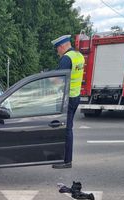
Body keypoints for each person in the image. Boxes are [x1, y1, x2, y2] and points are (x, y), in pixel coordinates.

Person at [51, 35, 84, 169]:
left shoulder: (66, 58)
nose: (57, 52)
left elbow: (58, 80)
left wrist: (48, 77)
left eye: (57, 49)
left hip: (67, 98)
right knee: (67, 128)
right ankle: (64, 157)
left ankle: (66, 161)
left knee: (66, 129)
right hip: (75, 96)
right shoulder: (79, 56)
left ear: (62, 46)